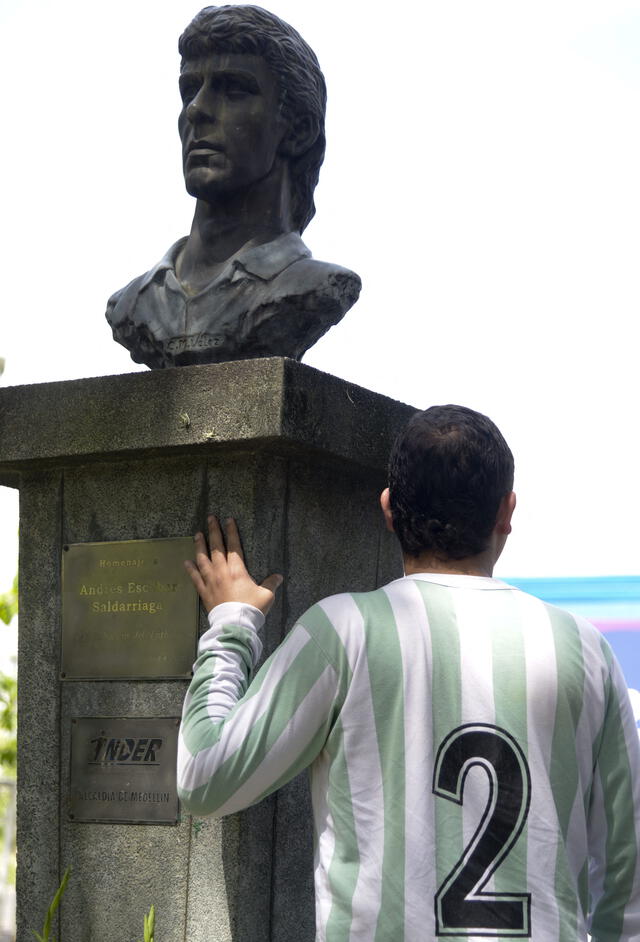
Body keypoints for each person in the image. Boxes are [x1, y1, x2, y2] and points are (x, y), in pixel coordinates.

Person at [177, 404, 640, 941]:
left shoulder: (342, 631)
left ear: (389, 509)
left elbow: (204, 778)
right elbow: (626, 881)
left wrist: (232, 623)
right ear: (507, 511)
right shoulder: (586, 650)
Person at [106, 5, 361, 369]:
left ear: (299, 130)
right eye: (190, 89)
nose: (197, 109)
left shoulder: (314, 286)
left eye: (234, 90)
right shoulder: (132, 304)